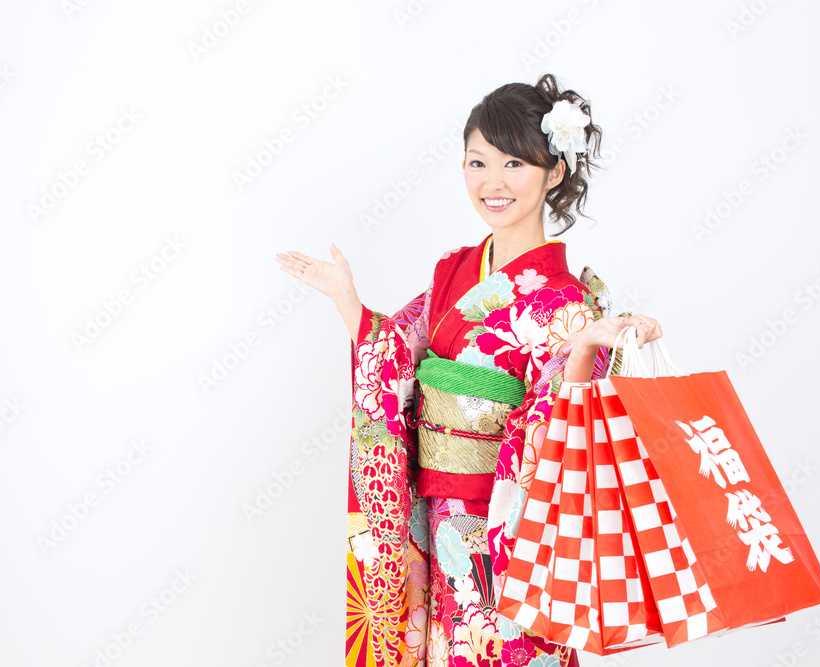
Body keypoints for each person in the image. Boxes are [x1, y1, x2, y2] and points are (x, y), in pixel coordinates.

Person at [276, 74, 662, 667]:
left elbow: (562, 435)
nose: (493, 182)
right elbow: (398, 352)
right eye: (477, 163)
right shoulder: (456, 272)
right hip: (437, 522)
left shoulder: (566, 305)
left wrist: (584, 351)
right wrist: (348, 303)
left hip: (509, 534)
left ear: (554, 171)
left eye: (514, 163)